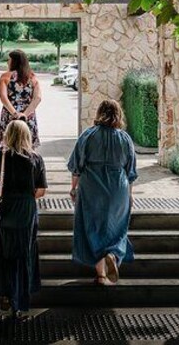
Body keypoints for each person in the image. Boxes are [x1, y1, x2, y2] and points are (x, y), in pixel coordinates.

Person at [0, 119, 47, 321]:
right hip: (26, 210)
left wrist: (5, 193)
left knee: (3, 253)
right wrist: (25, 196)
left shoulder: (1, 155)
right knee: (23, 255)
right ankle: (19, 302)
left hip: (5, 208)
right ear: (28, 135)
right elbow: (41, 191)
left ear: (8, 134)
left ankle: (5, 294)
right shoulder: (36, 158)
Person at [67, 99, 138, 285]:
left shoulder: (88, 135)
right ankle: (113, 255)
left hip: (92, 187)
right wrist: (129, 195)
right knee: (117, 227)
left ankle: (100, 275)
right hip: (118, 188)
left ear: (99, 113)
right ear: (118, 114)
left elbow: (76, 166)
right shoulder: (125, 139)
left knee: (93, 228)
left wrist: (73, 187)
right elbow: (130, 171)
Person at [0, 49, 42, 148]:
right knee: (28, 146)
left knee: (9, 147)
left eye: (9, 59)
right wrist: (24, 114)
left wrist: (15, 114)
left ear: (14, 61)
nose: (8, 62)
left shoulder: (5, 77)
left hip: (10, 115)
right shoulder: (33, 77)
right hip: (28, 116)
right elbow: (37, 98)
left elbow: (3, 97)